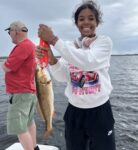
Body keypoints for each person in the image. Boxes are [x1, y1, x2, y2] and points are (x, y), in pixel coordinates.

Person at [36, 1, 116, 150]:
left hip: (100, 111)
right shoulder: (70, 47)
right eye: (81, 19)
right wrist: (51, 57)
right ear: (76, 23)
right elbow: (62, 76)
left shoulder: (104, 43)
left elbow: (88, 61)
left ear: (97, 22)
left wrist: (54, 40)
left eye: (91, 18)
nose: (86, 22)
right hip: (74, 112)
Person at [2, 21, 40, 150]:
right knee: (29, 123)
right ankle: (34, 147)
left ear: (15, 31)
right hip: (28, 92)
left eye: (9, 32)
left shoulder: (23, 46)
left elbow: (7, 67)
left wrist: (4, 64)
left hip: (20, 93)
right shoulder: (30, 45)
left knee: (19, 128)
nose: (9, 35)